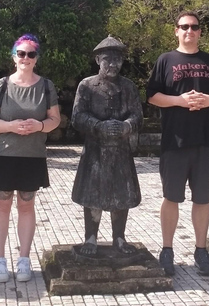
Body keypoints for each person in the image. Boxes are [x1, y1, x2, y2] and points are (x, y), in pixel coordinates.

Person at [146, 11, 209, 276]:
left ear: (200, 32)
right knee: (171, 196)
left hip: (204, 141)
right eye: (184, 27)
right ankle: (167, 250)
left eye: (194, 27)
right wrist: (179, 100)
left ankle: (201, 250)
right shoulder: (165, 60)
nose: (189, 31)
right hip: (174, 141)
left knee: (202, 198)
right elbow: (152, 96)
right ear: (176, 30)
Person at [0, 34, 61, 283]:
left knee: (26, 206)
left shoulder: (46, 86)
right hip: (2, 154)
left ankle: (24, 259)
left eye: (31, 54)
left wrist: (38, 125)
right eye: (21, 53)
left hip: (32, 156)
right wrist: (10, 126)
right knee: (1, 206)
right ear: (14, 56)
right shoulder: (1, 85)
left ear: (36, 58)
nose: (26, 58)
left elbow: (55, 120)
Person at [71, 35, 143, 255]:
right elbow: (77, 116)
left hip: (121, 150)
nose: (113, 64)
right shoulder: (87, 86)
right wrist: (97, 126)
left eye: (118, 60)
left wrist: (127, 126)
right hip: (95, 151)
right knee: (93, 194)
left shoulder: (128, 87)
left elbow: (137, 115)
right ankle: (90, 238)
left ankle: (119, 238)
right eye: (107, 60)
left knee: (121, 194)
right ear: (97, 60)